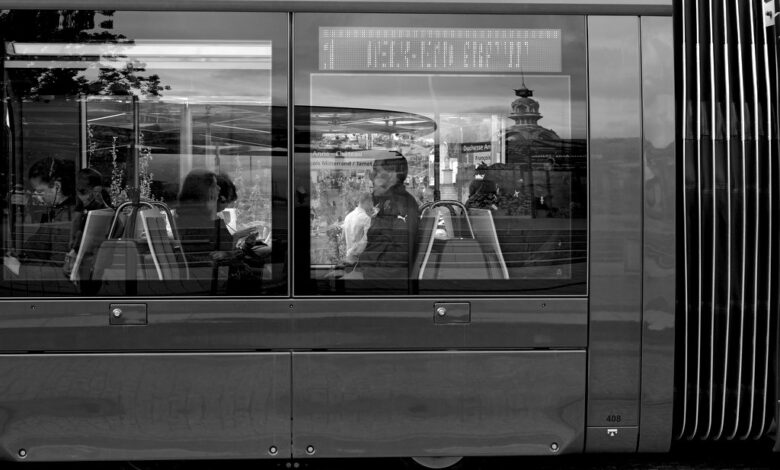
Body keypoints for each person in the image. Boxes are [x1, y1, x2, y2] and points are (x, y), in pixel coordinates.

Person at [358, 153, 419, 279]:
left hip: (384, 280)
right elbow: (379, 245)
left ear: (392, 174)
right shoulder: (387, 202)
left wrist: (364, 272)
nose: (372, 177)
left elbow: (400, 256)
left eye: (377, 171)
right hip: (376, 273)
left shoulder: (397, 205)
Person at [19, 157, 77, 270]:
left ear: (57, 187)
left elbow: (57, 266)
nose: (38, 197)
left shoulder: (64, 218)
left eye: (41, 191)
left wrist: (20, 267)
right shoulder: (56, 212)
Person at [63, 168, 111, 278]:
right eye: (80, 192)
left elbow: (77, 224)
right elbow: (76, 221)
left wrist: (73, 245)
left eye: (83, 192)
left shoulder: (98, 204)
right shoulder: (88, 204)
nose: (85, 197)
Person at [342, 192, 374, 264]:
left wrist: (349, 251)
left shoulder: (348, 216)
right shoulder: (366, 218)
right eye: (371, 202)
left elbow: (343, 237)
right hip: (358, 259)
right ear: (368, 201)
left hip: (348, 257)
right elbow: (366, 241)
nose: (371, 206)